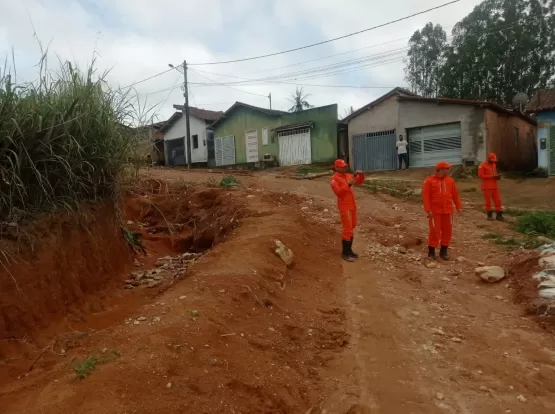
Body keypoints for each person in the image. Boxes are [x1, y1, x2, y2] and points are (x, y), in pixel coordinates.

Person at [422, 161, 462, 261]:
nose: (449, 170)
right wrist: (428, 210)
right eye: (447, 168)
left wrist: (458, 207)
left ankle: (443, 251)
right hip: (435, 211)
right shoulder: (429, 181)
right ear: (441, 170)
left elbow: (455, 195)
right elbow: (425, 197)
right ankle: (431, 252)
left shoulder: (450, 181)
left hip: (448, 211)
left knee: (447, 231)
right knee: (435, 231)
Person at [330, 159, 365, 262]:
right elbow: (339, 193)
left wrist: (361, 175)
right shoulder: (334, 179)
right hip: (344, 206)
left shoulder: (348, 176)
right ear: (336, 167)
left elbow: (359, 181)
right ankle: (345, 253)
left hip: (352, 205)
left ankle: (349, 251)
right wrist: (348, 185)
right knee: (347, 229)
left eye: (345, 166)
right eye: (342, 166)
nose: (344, 168)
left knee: (352, 227)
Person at [478, 153, 504, 221]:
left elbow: (494, 174)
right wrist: (491, 177)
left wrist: (497, 177)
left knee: (498, 200)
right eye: (492, 160)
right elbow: (480, 175)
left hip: (494, 186)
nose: (493, 161)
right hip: (486, 186)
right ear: (488, 159)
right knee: (488, 201)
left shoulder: (494, 165)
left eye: (494, 160)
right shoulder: (482, 165)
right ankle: (489, 216)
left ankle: (499, 215)